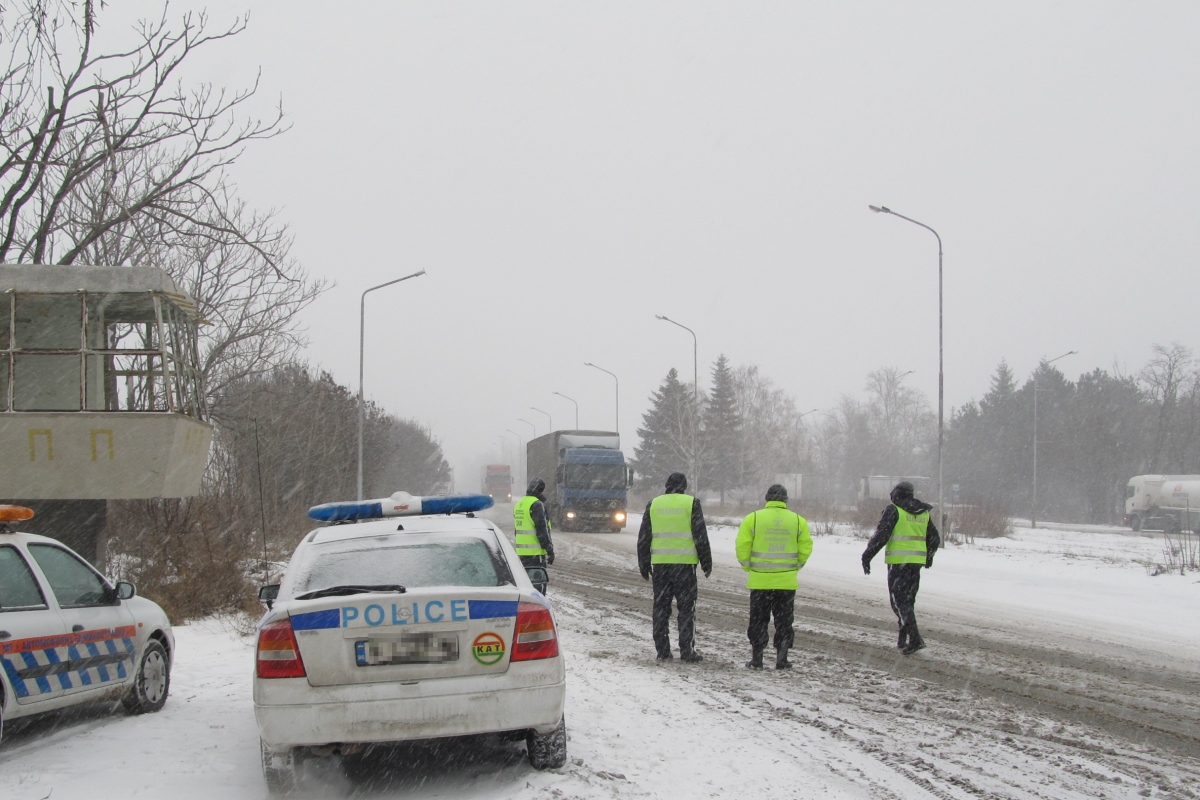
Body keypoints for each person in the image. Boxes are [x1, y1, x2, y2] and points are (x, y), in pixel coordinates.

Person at [636, 472, 712, 663]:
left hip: (661, 566)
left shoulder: (654, 504)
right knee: (687, 609)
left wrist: (643, 563)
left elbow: (644, 536)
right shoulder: (691, 503)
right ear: (684, 486)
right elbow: (700, 535)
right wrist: (706, 562)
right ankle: (687, 650)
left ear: (667, 486)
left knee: (661, 608)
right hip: (685, 567)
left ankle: (662, 650)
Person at [736, 484, 813, 670]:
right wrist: (795, 567)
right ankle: (782, 657)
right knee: (784, 621)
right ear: (786, 500)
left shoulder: (753, 519)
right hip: (786, 583)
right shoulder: (797, 520)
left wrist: (748, 566)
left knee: (758, 620)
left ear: (767, 498)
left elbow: (742, 546)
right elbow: (806, 547)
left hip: (760, 581)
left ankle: (757, 658)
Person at [861, 481, 940, 655]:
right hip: (916, 563)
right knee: (908, 601)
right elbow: (934, 538)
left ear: (896, 493)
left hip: (899, 562)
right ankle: (903, 640)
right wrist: (929, 556)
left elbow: (882, 535)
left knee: (899, 602)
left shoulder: (894, 510)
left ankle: (915, 639)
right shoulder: (923, 512)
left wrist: (867, 555)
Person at [514, 477, 554, 594]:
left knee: (525, 586)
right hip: (535, 554)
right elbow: (542, 531)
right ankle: (537, 610)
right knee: (538, 588)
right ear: (540, 490)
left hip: (521, 553)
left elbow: (517, 530)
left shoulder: (520, 504)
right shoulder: (537, 505)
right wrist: (549, 550)